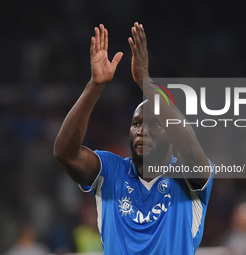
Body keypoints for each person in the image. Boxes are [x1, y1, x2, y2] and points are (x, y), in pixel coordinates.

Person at [54, 22, 214, 255]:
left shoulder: (190, 178)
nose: (142, 131)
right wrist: (95, 86)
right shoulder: (110, 171)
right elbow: (64, 154)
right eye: (137, 124)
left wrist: (145, 82)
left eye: (153, 125)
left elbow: (189, 148)